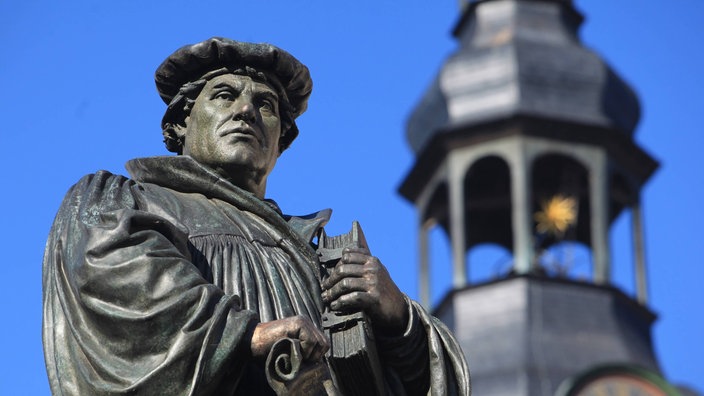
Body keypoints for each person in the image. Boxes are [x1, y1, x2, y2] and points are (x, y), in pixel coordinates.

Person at [43, 37, 470, 395]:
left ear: (279, 142)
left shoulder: (312, 252)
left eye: (265, 105)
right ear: (180, 122)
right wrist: (246, 335)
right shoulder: (119, 201)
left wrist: (400, 318)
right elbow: (114, 279)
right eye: (225, 96)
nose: (246, 110)